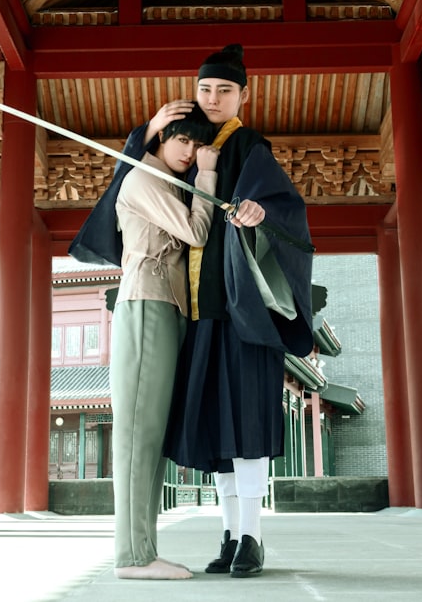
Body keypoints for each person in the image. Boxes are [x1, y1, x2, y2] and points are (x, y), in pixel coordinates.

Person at [121, 44, 315, 578]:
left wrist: (257, 211)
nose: (211, 98)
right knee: (218, 427)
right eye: (204, 89)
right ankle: (230, 535)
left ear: (242, 96)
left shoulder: (251, 145)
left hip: (240, 310)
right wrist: (147, 129)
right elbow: (137, 173)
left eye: (224, 90)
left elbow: (282, 207)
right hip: (196, 313)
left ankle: (252, 535)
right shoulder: (189, 143)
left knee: (246, 420)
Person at [87, 107, 219, 580]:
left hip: (166, 307)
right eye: (182, 140)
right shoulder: (144, 179)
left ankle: (143, 551)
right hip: (146, 305)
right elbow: (196, 231)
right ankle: (133, 557)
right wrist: (207, 176)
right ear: (161, 137)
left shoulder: (164, 181)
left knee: (150, 437)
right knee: (137, 435)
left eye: (198, 144)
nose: (189, 151)